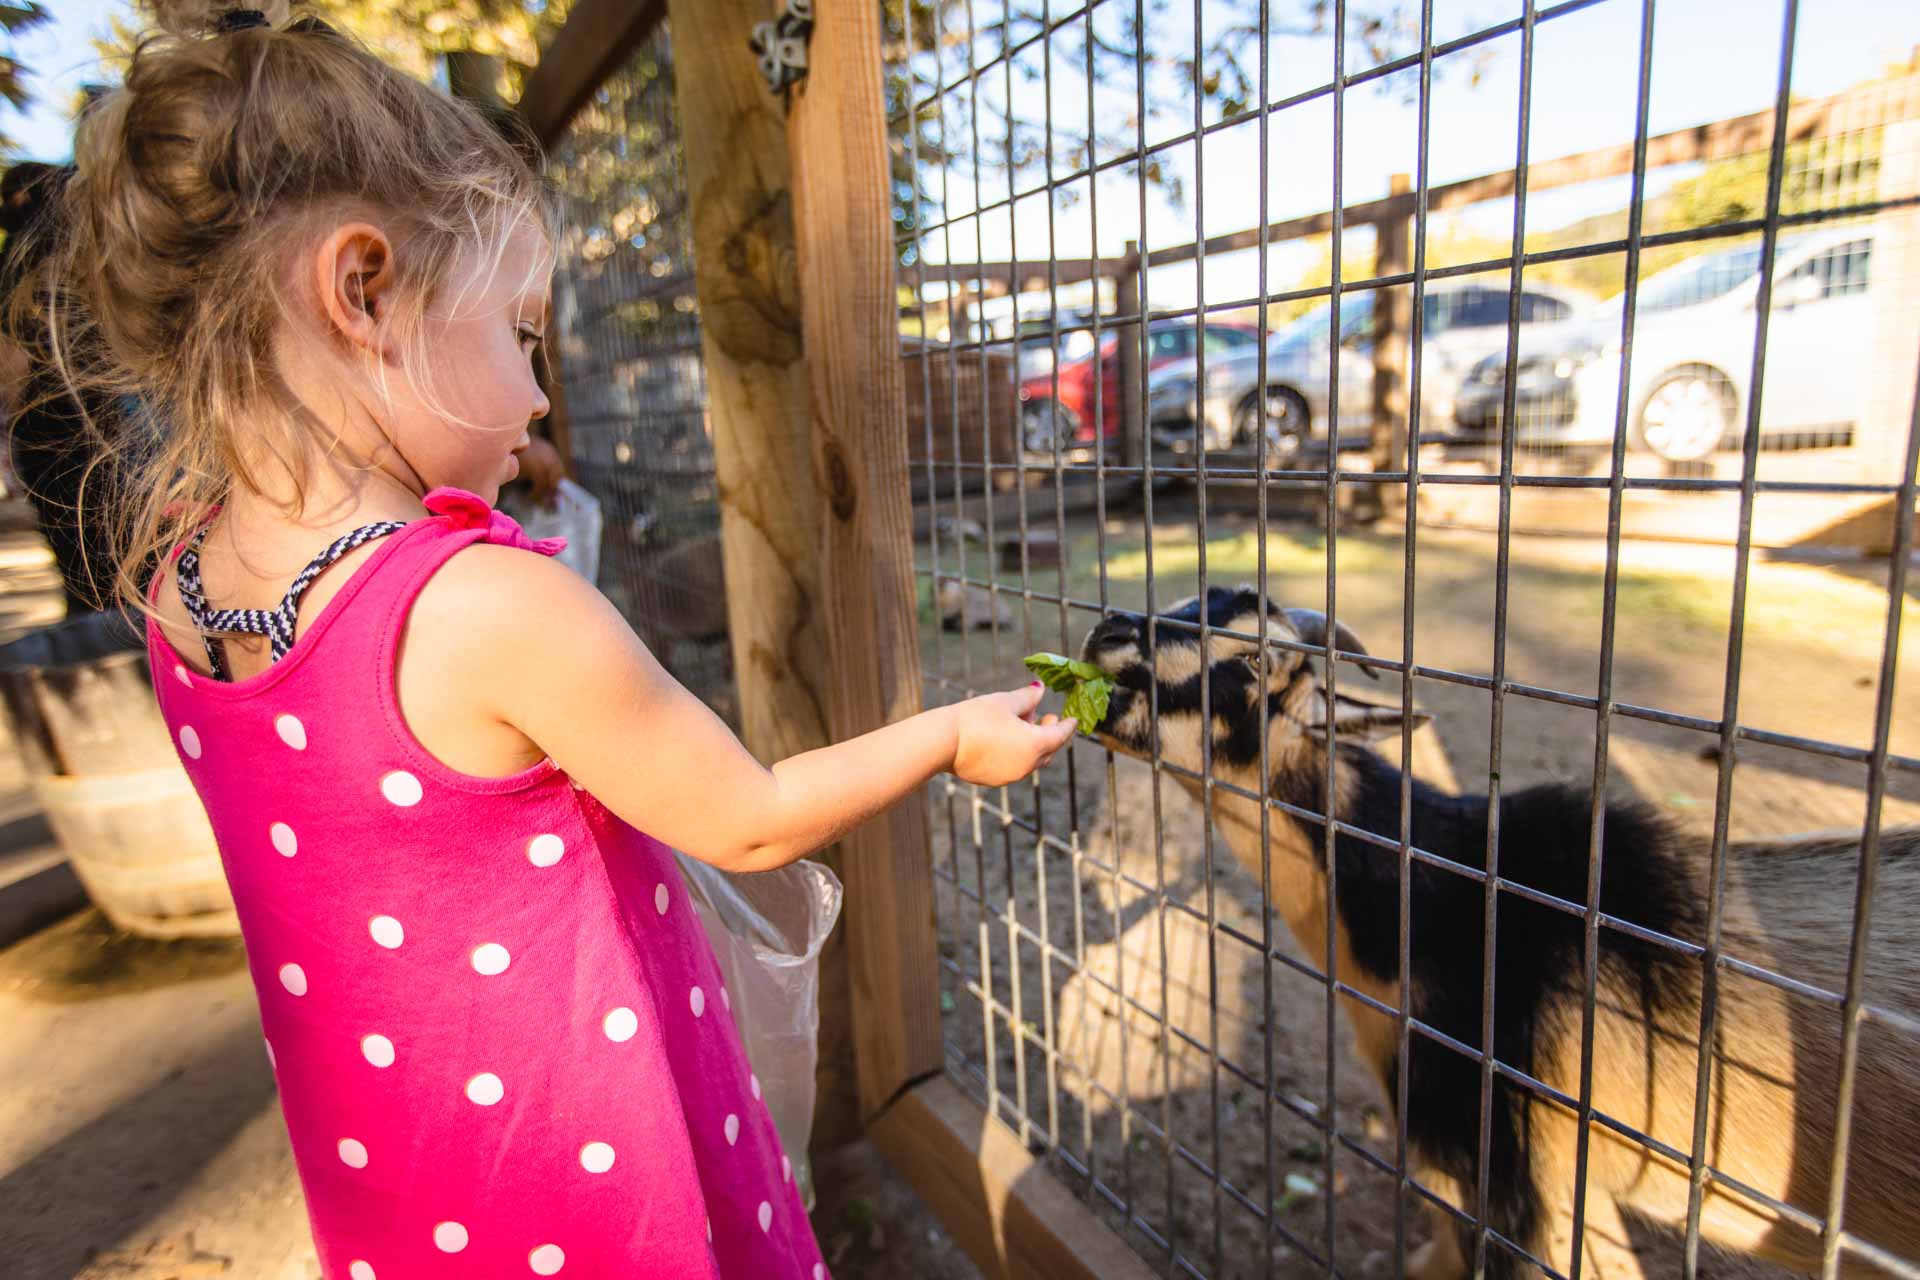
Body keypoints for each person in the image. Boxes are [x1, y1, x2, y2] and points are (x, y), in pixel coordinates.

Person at [39, 4, 1076, 1278]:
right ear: (364, 289)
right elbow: (748, 819)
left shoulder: (180, 590)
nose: (538, 392)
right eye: (522, 330)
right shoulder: (482, 604)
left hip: (401, 1183)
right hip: (596, 1187)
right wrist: (949, 735)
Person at [0, 160, 119, 614]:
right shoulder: (87, 254)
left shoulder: (16, 262)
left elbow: (11, 364)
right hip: (99, 419)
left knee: (74, 550)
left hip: (47, 423)